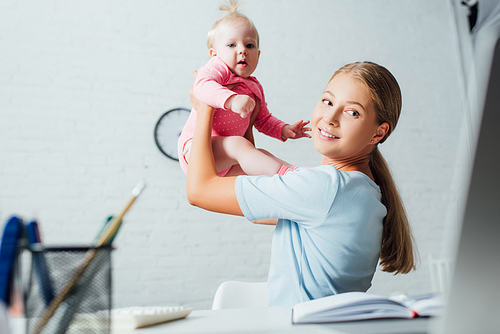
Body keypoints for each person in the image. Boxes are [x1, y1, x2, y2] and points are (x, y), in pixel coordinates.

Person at [186, 61, 416, 307]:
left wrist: (205, 108)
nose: (330, 118)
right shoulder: (361, 190)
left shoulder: (323, 188)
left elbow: (200, 190)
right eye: (327, 102)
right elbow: (255, 182)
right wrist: (247, 125)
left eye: (352, 112)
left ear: (378, 133)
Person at [177, 0, 311, 177]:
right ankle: (284, 175)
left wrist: (284, 129)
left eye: (249, 45)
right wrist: (231, 99)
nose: (242, 51)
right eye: (232, 45)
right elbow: (201, 86)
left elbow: (263, 120)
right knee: (240, 145)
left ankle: (299, 174)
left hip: (227, 159)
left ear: (258, 55)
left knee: (260, 154)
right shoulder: (219, 69)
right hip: (195, 149)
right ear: (214, 54)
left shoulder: (254, 87)